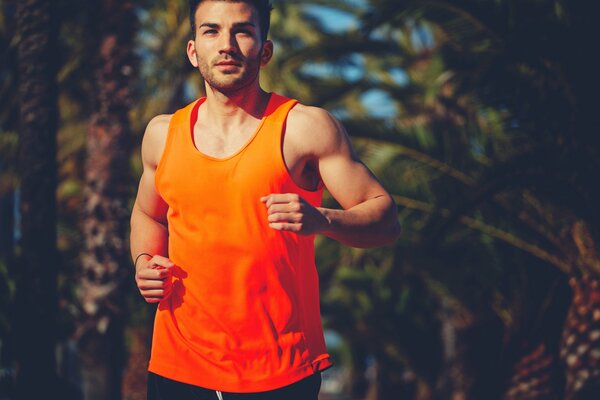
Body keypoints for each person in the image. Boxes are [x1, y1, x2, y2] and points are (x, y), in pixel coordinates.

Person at [130, 0, 401, 399]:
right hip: (179, 365)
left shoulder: (303, 128)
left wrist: (322, 220)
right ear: (193, 51)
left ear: (265, 50)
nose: (226, 45)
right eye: (211, 31)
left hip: (279, 371)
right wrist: (144, 262)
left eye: (242, 30)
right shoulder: (161, 135)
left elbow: (385, 219)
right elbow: (147, 215)